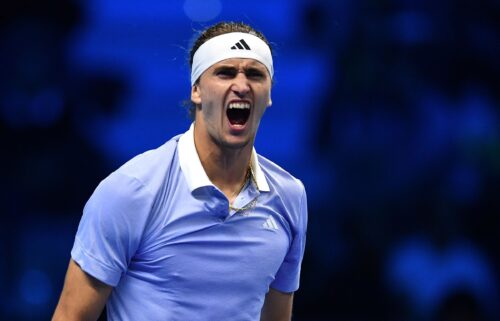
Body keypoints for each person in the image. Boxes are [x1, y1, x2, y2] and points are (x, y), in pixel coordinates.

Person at [52, 21, 308, 321]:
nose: (241, 85)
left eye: (255, 74)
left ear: (269, 95)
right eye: (225, 73)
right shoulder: (131, 189)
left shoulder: (290, 196)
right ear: (196, 91)